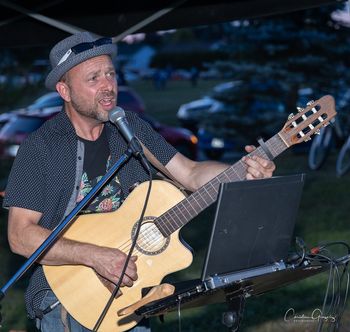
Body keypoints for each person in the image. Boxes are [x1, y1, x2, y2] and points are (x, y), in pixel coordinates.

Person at [3, 32, 276, 332]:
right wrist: (95, 256)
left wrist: (242, 171)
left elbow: (191, 173)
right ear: (64, 91)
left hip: (131, 297)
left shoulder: (130, 128)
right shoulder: (41, 147)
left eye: (110, 74)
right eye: (93, 78)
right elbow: (20, 235)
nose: (108, 86)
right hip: (66, 299)